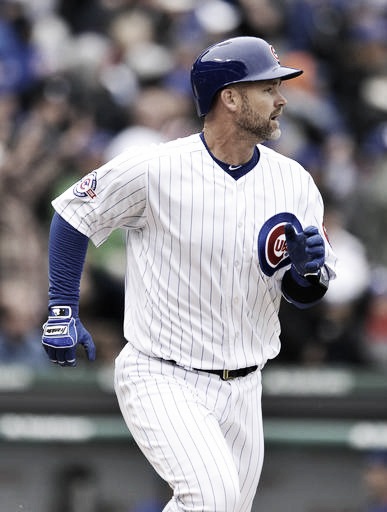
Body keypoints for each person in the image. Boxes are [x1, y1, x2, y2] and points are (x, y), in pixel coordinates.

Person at [42, 36, 337, 512]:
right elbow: (73, 214)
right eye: (268, 89)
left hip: (246, 385)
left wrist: (307, 273)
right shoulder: (156, 167)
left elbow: (304, 293)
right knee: (210, 499)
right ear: (231, 97)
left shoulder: (295, 182)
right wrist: (61, 307)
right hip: (164, 374)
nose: (282, 99)